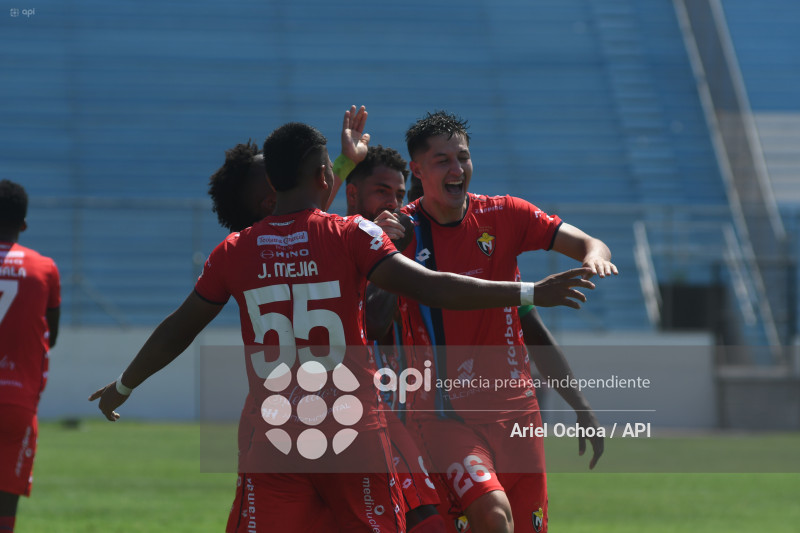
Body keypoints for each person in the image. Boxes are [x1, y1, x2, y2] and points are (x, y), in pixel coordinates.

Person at [89, 120, 595, 532]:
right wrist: (531, 292)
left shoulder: (235, 252)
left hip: (277, 436)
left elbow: (180, 327)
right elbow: (434, 287)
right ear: (325, 180)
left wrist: (124, 383)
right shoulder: (351, 235)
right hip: (354, 433)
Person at [388, 111, 617, 533]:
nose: (457, 170)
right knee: (493, 515)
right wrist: (531, 291)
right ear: (417, 170)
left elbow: (586, 244)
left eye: (463, 157)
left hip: (518, 418)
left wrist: (594, 256)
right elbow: (443, 290)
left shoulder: (504, 214)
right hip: (445, 419)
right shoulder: (402, 235)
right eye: (442, 161)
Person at [0, 180, 61, 533]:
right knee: (5, 502)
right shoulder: (44, 268)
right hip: (16, 400)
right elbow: (52, 335)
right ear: (23, 224)